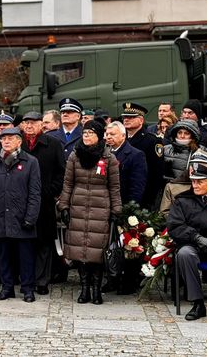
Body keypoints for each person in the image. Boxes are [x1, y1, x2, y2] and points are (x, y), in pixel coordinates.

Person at [58, 120, 122, 305]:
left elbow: (114, 186)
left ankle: (96, 289)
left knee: (97, 251)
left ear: (99, 136)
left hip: (100, 207)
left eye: (90, 133)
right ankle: (84, 289)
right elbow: (68, 183)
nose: (86, 136)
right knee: (80, 251)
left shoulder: (108, 158)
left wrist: (116, 210)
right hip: (78, 206)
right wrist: (64, 206)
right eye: (84, 133)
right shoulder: (74, 156)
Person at [0, 126, 41, 303]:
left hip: (22, 218)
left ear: (19, 141)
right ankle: (7, 287)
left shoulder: (31, 162)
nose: (5, 141)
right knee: (3, 256)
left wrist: (31, 217)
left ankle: (28, 288)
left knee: (26, 256)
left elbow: (35, 193)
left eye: (10, 138)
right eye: (3, 138)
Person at [21, 111, 65, 295]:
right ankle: (26, 279)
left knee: (44, 243)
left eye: (33, 123)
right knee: (24, 243)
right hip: (21, 202)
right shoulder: (18, 144)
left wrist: (49, 192)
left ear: (41, 125)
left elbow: (61, 173)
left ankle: (42, 281)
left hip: (44, 202)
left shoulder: (53, 144)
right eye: (26, 123)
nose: (29, 126)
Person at [167, 150, 207, 321]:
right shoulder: (183, 200)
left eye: (200, 182)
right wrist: (196, 237)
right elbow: (175, 226)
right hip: (192, 245)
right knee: (184, 254)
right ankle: (198, 303)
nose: (195, 185)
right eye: (193, 181)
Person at [104, 120, 148, 295]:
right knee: (110, 246)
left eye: (112, 134)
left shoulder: (135, 155)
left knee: (129, 246)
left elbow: (138, 184)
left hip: (126, 208)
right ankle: (111, 279)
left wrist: (130, 209)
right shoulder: (104, 153)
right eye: (107, 134)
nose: (108, 137)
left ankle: (129, 281)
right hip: (105, 206)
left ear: (123, 136)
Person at [121, 102, 165, 210]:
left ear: (141, 120)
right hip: (122, 193)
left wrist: (148, 201)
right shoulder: (121, 139)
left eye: (131, 117)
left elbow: (156, 174)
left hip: (142, 197)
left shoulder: (152, 141)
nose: (126, 119)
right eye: (125, 117)